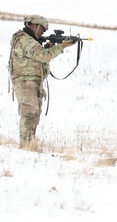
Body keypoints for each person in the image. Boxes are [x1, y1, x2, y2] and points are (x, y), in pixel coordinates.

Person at [8, 14, 75, 147]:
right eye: (41, 29)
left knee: (35, 114)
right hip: (25, 81)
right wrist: (61, 47)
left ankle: (30, 142)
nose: (42, 32)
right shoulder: (25, 40)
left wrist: (50, 46)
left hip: (32, 81)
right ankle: (25, 144)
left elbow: (39, 54)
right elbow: (43, 56)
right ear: (33, 26)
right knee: (29, 113)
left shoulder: (30, 41)